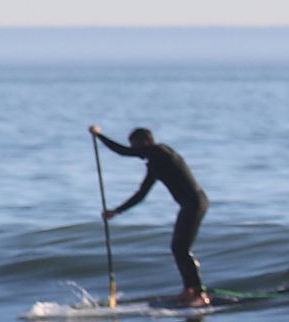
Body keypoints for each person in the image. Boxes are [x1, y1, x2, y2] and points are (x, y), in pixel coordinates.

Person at [90, 125, 211, 307]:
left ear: (146, 142)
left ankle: (199, 293)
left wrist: (99, 135)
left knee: (180, 248)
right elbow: (141, 194)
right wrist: (117, 211)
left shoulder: (161, 151)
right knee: (178, 248)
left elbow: (123, 152)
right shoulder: (155, 165)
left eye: (136, 146)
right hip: (190, 204)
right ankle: (191, 290)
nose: (135, 151)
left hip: (195, 202)